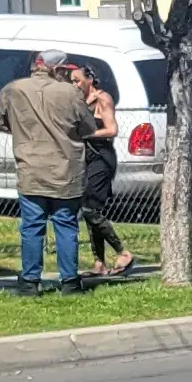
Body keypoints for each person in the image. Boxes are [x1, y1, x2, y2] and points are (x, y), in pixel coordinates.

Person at [0, 50, 95, 292]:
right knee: (66, 225)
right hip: (65, 169)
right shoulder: (71, 93)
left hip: (30, 167)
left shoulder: (12, 89)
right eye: (65, 71)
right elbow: (88, 128)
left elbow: (1, 123)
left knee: (32, 226)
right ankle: (69, 281)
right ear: (57, 69)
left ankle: (30, 281)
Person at [68, 60, 136, 278]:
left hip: (102, 158)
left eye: (77, 81)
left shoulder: (102, 99)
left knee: (90, 209)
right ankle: (99, 263)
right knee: (89, 210)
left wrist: (88, 134)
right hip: (86, 159)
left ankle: (123, 252)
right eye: (72, 82)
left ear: (89, 80)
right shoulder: (79, 101)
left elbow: (111, 129)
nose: (74, 85)